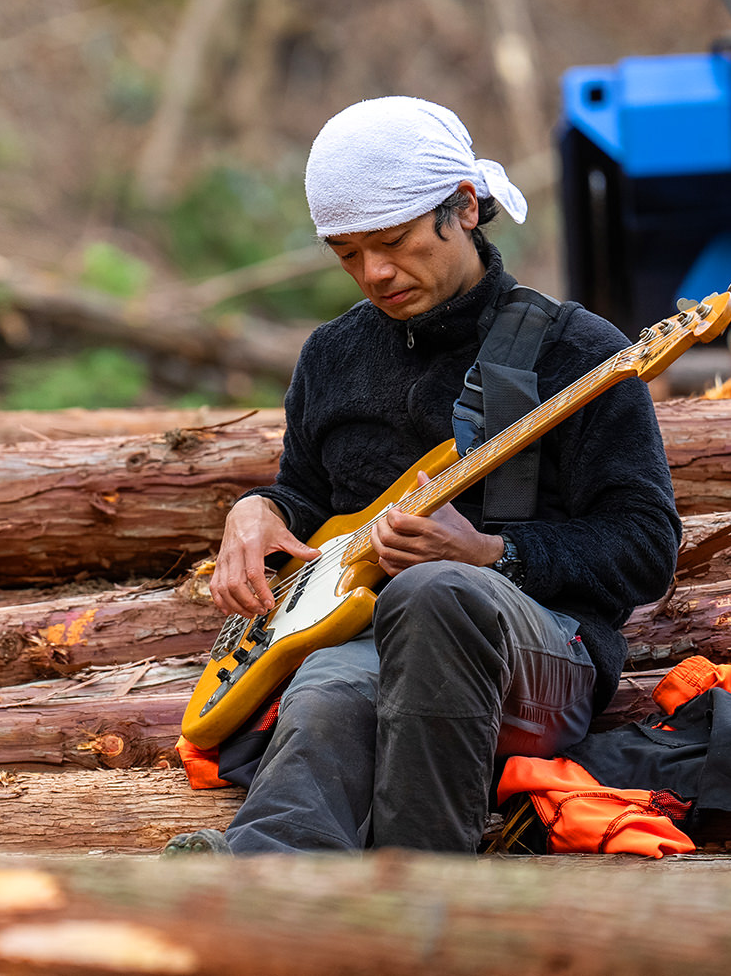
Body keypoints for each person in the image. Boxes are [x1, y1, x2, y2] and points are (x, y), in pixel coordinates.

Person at [170, 95, 681, 855]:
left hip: (542, 661)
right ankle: (260, 883)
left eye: (395, 241)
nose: (375, 272)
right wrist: (256, 509)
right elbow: (310, 504)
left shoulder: (578, 353)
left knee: (434, 592)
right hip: (365, 642)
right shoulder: (332, 357)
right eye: (347, 254)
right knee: (331, 692)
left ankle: (419, 892)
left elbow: (646, 546)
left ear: (465, 208)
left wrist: (495, 556)